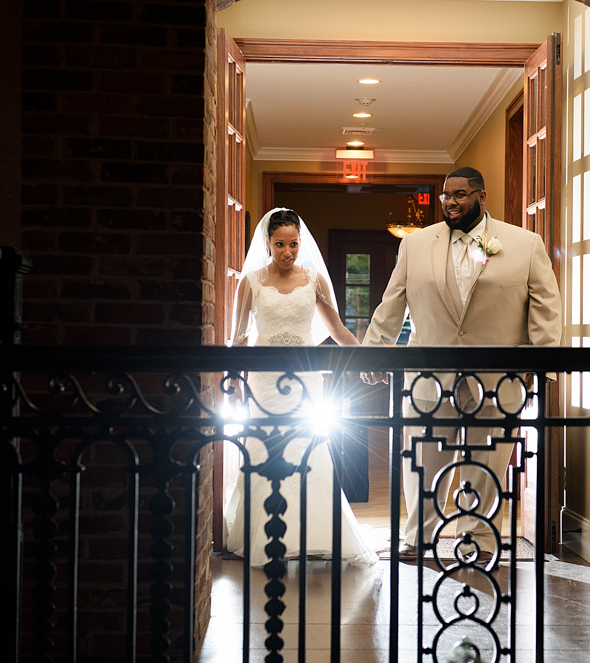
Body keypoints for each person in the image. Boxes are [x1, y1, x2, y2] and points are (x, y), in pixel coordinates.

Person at [362, 167, 563, 564]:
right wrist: (374, 348)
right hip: (428, 377)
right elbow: (392, 301)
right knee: (423, 461)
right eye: (445, 196)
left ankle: (477, 543)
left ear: (481, 196)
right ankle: (418, 539)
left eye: (460, 195)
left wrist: (542, 366)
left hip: (496, 378)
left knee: (486, 464)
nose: (451, 203)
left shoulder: (524, 244)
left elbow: (546, 307)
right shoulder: (416, 245)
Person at [223, 207, 378, 565]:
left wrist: (367, 357)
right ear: (268, 244)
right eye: (280, 244)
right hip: (264, 382)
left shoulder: (314, 282)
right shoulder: (251, 283)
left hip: (306, 379)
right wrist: (232, 380)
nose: (288, 252)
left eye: (293, 244)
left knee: (309, 448)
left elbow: (337, 331)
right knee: (266, 448)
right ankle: (266, 536)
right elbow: (239, 338)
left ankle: (313, 534)